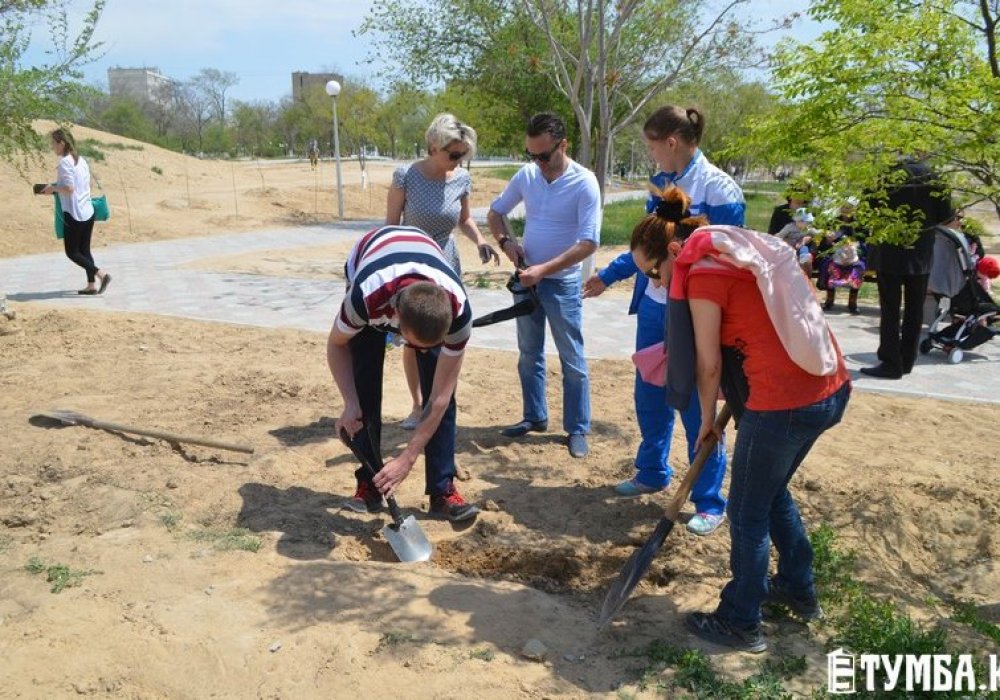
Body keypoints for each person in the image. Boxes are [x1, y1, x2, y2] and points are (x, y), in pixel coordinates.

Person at [630, 185, 851, 653]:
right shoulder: (736, 252)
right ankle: (797, 587)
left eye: (654, 272)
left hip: (782, 403)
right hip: (829, 388)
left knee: (748, 514)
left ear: (674, 251)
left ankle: (740, 621)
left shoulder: (706, 274)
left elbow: (709, 364)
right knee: (771, 495)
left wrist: (707, 420)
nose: (657, 282)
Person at [632, 104, 744, 535]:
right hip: (655, 306)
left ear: (672, 142)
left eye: (652, 147)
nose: (652, 155)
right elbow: (648, 243)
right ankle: (651, 471)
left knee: (699, 405)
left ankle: (709, 499)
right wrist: (611, 275)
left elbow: (730, 255)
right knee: (650, 394)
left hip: (695, 312)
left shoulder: (720, 188)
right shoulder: (661, 184)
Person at [328, 225, 480, 522]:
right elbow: (336, 345)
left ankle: (443, 490)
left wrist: (408, 457)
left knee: (444, 401)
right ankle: (370, 486)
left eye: (431, 345)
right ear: (395, 321)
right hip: (369, 258)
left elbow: (438, 398)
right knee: (364, 389)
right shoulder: (364, 299)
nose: (422, 352)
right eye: (414, 345)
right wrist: (349, 402)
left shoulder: (458, 313)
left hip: (423, 262)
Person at [487, 112, 601, 459]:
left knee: (573, 360)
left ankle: (577, 428)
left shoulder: (584, 182)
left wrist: (545, 270)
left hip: (562, 285)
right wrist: (508, 244)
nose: (537, 163)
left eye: (543, 155)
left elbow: (588, 243)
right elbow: (495, 213)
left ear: (562, 145)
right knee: (529, 355)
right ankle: (534, 416)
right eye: (531, 155)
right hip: (528, 281)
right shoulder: (527, 175)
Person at [387, 114, 499, 430]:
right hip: (412, 260)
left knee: (446, 334)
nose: (458, 160)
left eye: (463, 155)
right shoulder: (406, 176)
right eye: (454, 154)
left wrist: (480, 241)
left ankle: (441, 401)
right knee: (412, 337)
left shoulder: (461, 180)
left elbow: (464, 219)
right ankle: (417, 404)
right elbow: (391, 226)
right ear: (433, 146)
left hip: (446, 262)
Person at [861, 158, 953, 379]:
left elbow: (866, 211)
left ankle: (891, 363)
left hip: (890, 251)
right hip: (920, 253)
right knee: (915, 310)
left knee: (891, 309)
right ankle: (907, 360)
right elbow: (945, 216)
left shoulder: (884, 175)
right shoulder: (935, 177)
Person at [41, 129, 111, 295]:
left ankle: (102, 274)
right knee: (85, 250)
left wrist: (52, 189)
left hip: (74, 213)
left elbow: (69, 188)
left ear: (62, 143)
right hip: (88, 210)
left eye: (53, 143)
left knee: (72, 252)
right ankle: (91, 285)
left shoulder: (65, 162)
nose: (52, 147)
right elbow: (85, 186)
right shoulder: (81, 160)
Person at [816, 202, 866, 313]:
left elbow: (865, 244)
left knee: (859, 266)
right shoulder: (833, 223)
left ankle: (852, 302)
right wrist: (829, 241)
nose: (847, 210)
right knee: (827, 264)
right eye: (844, 207)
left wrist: (855, 246)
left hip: (854, 255)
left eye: (849, 207)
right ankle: (829, 299)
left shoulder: (860, 225)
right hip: (834, 253)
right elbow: (823, 245)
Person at [774, 208, 816, 276]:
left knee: (804, 251)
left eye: (809, 222)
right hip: (789, 247)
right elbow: (780, 235)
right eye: (807, 222)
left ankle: (805, 269)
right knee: (787, 255)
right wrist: (776, 239)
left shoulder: (808, 228)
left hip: (800, 246)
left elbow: (815, 233)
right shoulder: (789, 227)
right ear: (799, 221)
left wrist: (822, 233)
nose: (808, 224)